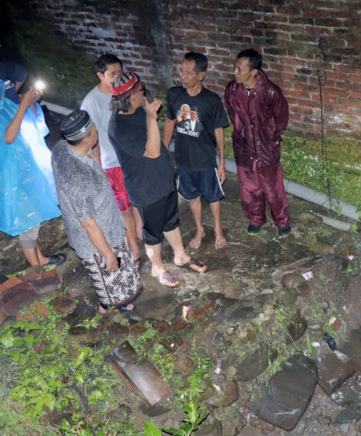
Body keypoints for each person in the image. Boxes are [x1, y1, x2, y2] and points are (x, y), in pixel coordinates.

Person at [107, 72, 207, 287]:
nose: (144, 94)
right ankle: (157, 267)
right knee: (152, 232)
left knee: (171, 220)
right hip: (145, 188)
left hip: (162, 179)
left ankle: (180, 255)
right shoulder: (119, 127)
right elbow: (152, 151)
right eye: (141, 91)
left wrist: (148, 114)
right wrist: (151, 118)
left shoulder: (137, 109)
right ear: (131, 96)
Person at [0, 71, 65, 268]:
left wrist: (30, 102)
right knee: (27, 223)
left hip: (23, 169)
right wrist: (23, 104)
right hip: (7, 177)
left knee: (33, 217)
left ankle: (41, 258)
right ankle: (37, 271)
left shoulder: (3, 107)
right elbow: (8, 138)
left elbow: (23, 120)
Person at [52, 111, 142, 313]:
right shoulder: (77, 178)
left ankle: (118, 301)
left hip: (109, 227)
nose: (96, 130)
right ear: (86, 138)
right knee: (109, 277)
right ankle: (110, 308)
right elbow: (88, 224)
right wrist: (108, 254)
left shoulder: (62, 148)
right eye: (93, 128)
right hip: (96, 242)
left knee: (120, 272)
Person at [80, 54, 143, 263]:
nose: (117, 77)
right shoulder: (91, 102)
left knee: (137, 197)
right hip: (112, 162)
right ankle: (132, 245)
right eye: (112, 74)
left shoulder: (125, 92)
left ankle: (141, 229)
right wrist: (99, 169)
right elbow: (92, 139)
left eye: (119, 72)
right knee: (124, 207)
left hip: (131, 156)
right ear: (100, 75)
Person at [163, 52, 229, 250]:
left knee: (213, 197)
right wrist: (164, 151)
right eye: (181, 71)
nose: (182, 76)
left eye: (188, 73)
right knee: (192, 197)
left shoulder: (211, 100)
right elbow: (169, 122)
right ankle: (200, 229)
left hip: (205, 160)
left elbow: (218, 131)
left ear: (201, 75)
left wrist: (222, 162)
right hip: (183, 159)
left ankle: (218, 230)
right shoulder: (174, 95)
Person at [223, 48, 291, 236]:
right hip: (244, 146)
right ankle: (256, 218)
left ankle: (282, 221)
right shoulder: (232, 90)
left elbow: (281, 118)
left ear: (253, 71)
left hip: (267, 148)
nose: (235, 72)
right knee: (248, 188)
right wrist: (242, 131)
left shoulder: (270, 91)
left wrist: (269, 137)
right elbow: (232, 114)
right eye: (235, 67)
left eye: (239, 69)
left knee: (273, 188)